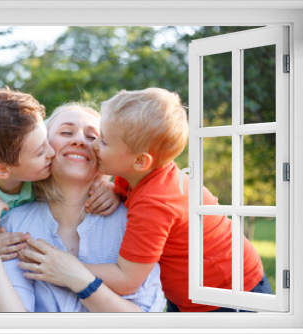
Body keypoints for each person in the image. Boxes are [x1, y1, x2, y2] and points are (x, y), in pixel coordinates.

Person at [81, 88, 271, 312]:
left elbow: (127, 279)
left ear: (140, 161)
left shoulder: (155, 202)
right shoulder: (138, 177)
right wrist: (113, 189)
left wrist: (71, 268)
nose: (94, 145)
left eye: (104, 142)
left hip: (229, 296)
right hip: (194, 293)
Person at [0, 103, 165, 312]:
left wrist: (79, 279)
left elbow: (146, 323)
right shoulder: (14, 226)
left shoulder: (134, 223)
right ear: (42, 145)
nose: (80, 140)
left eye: (93, 137)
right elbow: (7, 325)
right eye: (66, 132)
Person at [0, 87, 118, 265]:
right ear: (2, 171)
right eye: (40, 152)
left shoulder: (36, 170)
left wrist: (109, 186)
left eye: (46, 140)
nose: (51, 152)